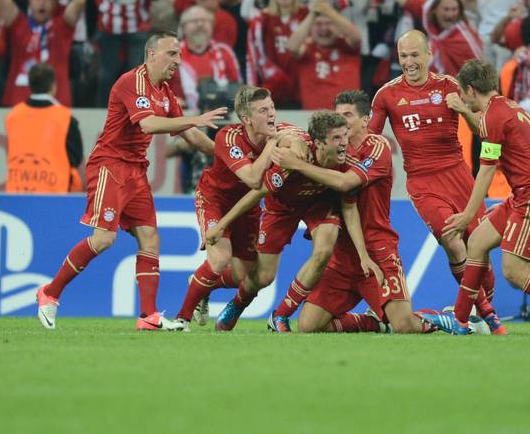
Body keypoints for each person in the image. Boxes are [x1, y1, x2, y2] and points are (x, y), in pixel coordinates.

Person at [35, 32, 225, 331]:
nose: (177, 61)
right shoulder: (131, 82)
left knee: (150, 238)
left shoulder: (165, 93)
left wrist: (227, 156)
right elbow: (149, 123)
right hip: (110, 165)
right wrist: (194, 118)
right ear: (151, 54)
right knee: (104, 239)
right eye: (171, 54)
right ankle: (50, 292)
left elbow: (190, 136)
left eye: (179, 55)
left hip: (136, 169)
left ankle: (148, 316)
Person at [422, 59, 530, 338]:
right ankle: (460, 320)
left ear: (469, 89)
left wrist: (468, 214)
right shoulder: (506, 107)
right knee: (477, 243)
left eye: (463, 93)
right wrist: (463, 110)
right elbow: (486, 129)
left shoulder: (494, 115)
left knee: (514, 271)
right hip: (525, 193)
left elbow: (486, 171)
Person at [369, 31, 503, 332]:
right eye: (403, 56)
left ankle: (477, 315)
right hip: (422, 182)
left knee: (479, 248)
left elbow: (485, 130)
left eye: (415, 55)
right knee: (454, 243)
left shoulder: (450, 87)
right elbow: (371, 141)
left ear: (429, 54)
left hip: (458, 175)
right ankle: (490, 316)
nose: (409, 62)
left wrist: (462, 110)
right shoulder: (386, 95)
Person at [271, 90, 422, 334]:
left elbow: (345, 184)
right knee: (307, 326)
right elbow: (287, 130)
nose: (341, 120)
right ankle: (372, 322)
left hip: (376, 250)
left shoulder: (377, 147)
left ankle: (444, 320)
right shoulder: (333, 149)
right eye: (338, 115)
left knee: (405, 325)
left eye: (348, 115)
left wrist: (298, 164)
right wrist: (293, 138)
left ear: (365, 120)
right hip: (342, 255)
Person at [210, 111, 356, 332]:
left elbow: (346, 184)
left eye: (345, 136)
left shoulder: (346, 159)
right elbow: (258, 192)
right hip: (281, 208)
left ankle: (281, 315)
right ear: (318, 143)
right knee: (264, 276)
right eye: (336, 138)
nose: (344, 143)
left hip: (319, 203)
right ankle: (238, 304)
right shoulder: (294, 157)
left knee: (324, 251)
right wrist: (221, 225)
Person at [174, 86, 282, 328]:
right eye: (263, 110)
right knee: (220, 258)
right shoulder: (228, 137)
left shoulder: (278, 134)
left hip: (248, 207)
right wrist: (272, 143)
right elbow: (253, 179)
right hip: (216, 200)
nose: (272, 114)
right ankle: (181, 319)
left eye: (272, 107)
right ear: (247, 119)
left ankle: (203, 283)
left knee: (243, 275)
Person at [4, 62, 83, 194]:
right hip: (54, 194)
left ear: (30, 85)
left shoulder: (12, 116)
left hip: (16, 192)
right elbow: (76, 157)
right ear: (53, 86)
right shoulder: (66, 117)